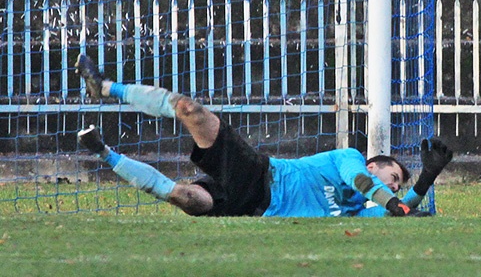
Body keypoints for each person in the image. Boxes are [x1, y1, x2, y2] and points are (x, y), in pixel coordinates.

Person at [75, 54, 453, 218]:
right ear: (375, 165)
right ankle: (106, 87)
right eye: (393, 179)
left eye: (396, 187)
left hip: (246, 210)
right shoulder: (349, 159)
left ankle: (105, 154)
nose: (392, 187)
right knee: (190, 110)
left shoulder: (357, 212)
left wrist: (425, 179)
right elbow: (364, 183)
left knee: (185, 198)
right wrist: (395, 201)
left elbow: (398, 216)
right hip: (258, 176)